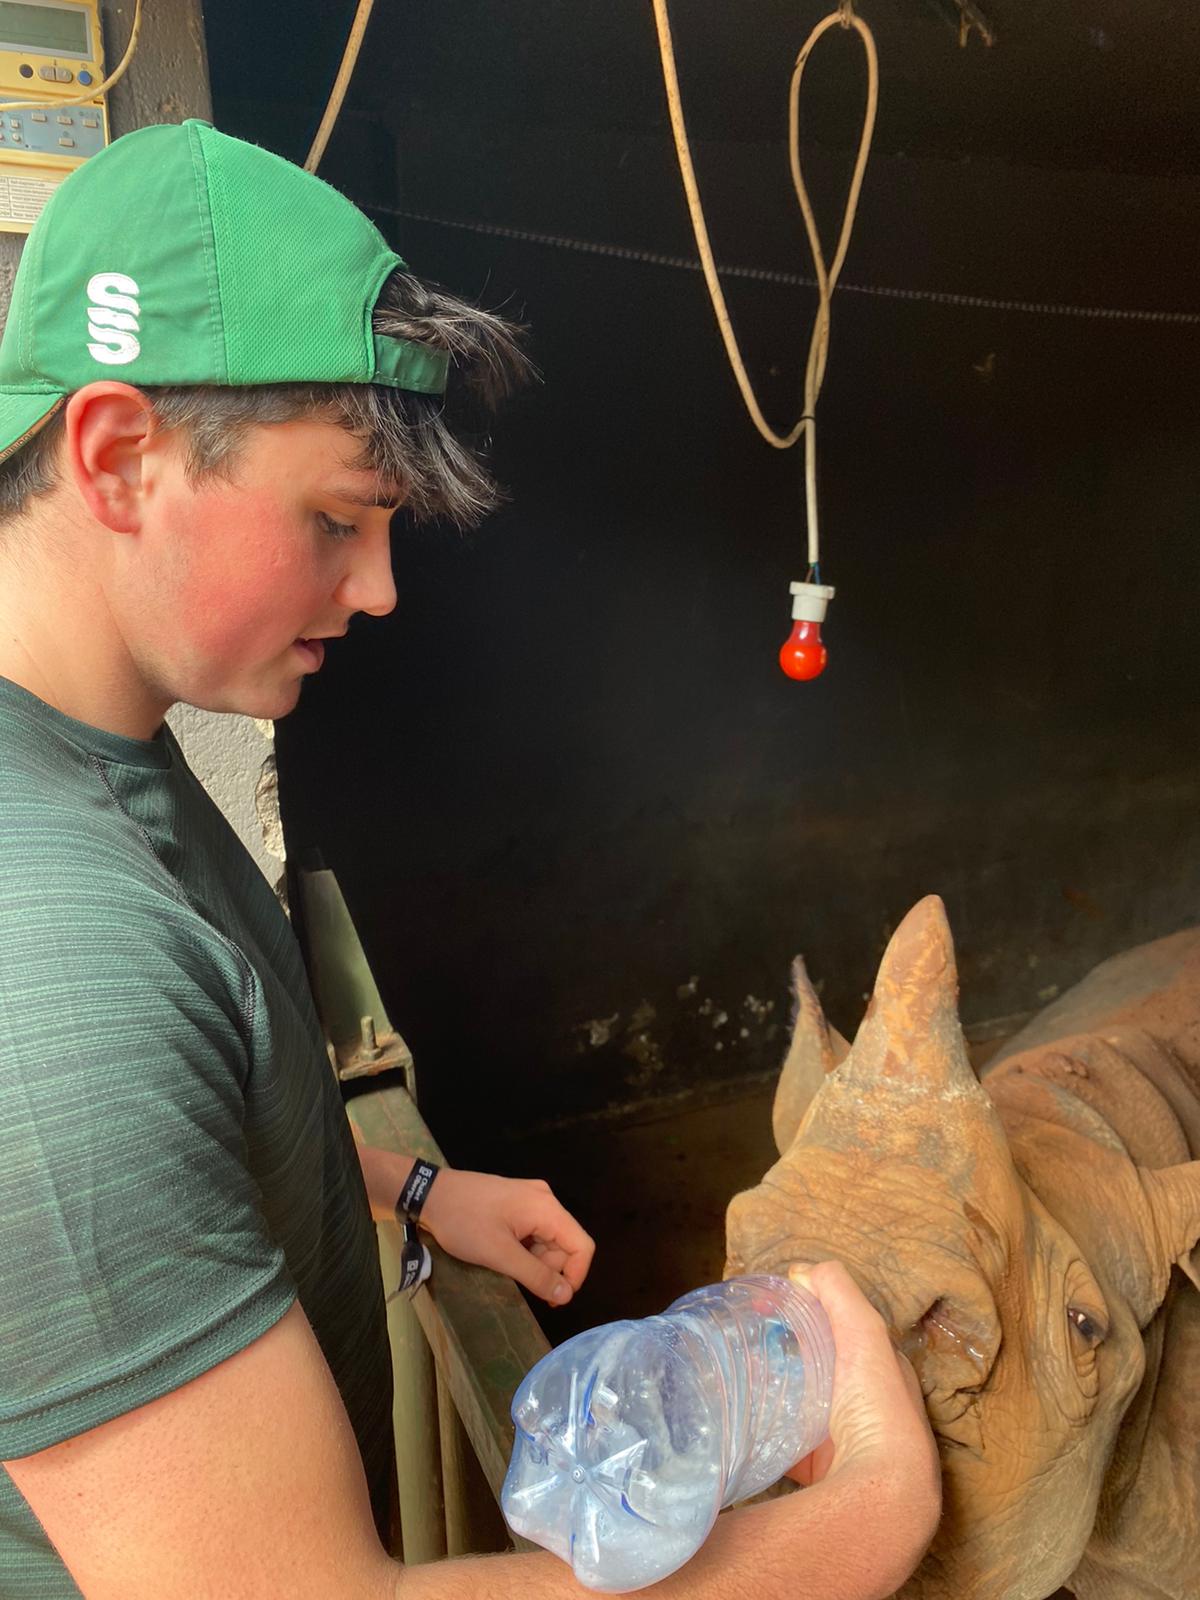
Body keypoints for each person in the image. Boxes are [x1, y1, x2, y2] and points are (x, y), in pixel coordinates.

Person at [0, 121, 939, 1598]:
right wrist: (863, 1525)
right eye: (335, 522)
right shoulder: (50, 966)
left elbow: (159, 1160)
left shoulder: (80, 747)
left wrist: (408, 1191)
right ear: (120, 459)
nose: (375, 589)